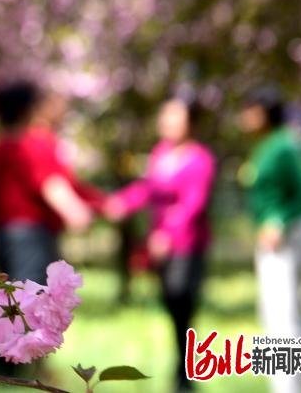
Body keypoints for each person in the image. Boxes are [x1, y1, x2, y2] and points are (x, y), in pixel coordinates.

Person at [0, 81, 102, 377]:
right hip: (31, 234)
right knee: (31, 298)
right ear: (30, 110)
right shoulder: (31, 142)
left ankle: (3, 366)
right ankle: (30, 363)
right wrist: (75, 212)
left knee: (5, 297)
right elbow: (50, 183)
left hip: (4, 232)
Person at [104, 96, 216, 393]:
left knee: (183, 300)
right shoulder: (160, 154)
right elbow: (149, 190)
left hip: (187, 244)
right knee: (171, 303)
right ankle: (181, 370)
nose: (166, 122)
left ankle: (187, 373)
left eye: (174, 116)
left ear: (190, 122)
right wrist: (123, 203)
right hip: (160, 244)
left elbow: (194, 204)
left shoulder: (200, 158)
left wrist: (169, 234)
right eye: (164, 116)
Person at [238, 88, 301, 393]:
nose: (244, 115)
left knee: (282, 315)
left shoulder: (285, 145)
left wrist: (279, 221)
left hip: (285, 243)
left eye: (250, 107)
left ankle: (289, 387)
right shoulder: (266, 146)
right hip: (272, 243)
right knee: (281, 315)